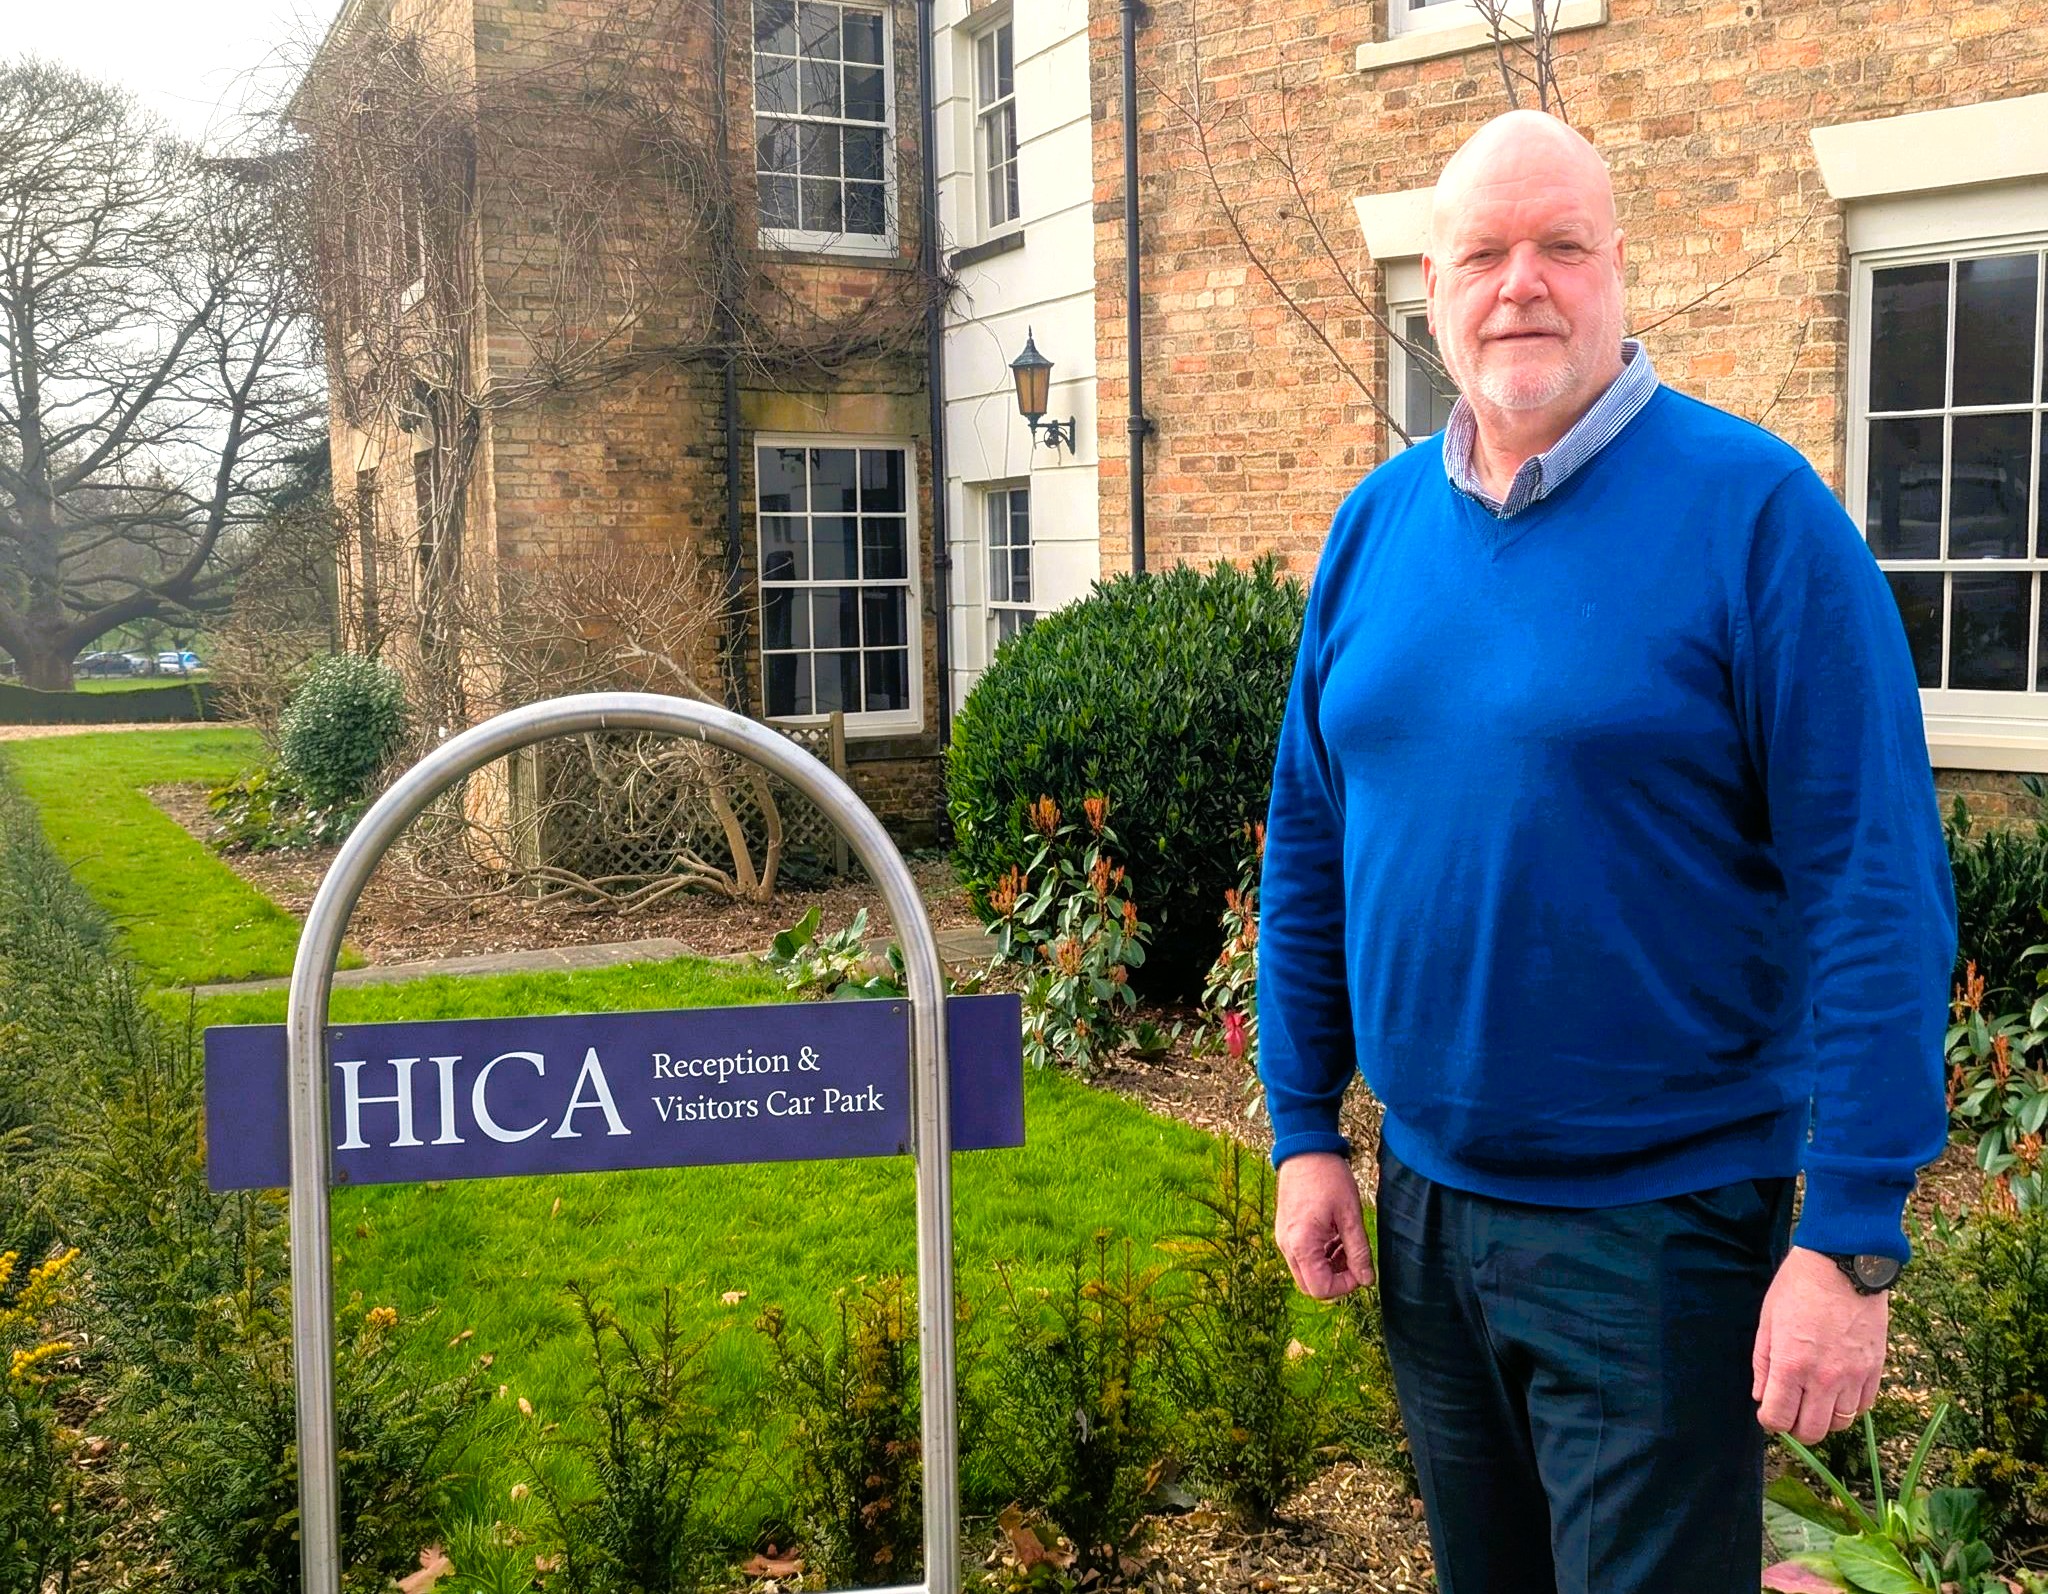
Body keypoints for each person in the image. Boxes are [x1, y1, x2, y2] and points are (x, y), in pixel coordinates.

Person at [1256, 109, 1955, 1594]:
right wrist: (1304, 1125)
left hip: (1658, 1234)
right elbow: (1311, 841)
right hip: (1427, 1211)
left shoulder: (1759, 517)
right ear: (1431, 290)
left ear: (1620, 266)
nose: (1522, 284)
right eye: (1484, 255)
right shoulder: (1375, 528)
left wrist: (1851, 1234)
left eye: (1561, 246)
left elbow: (1876, 884)